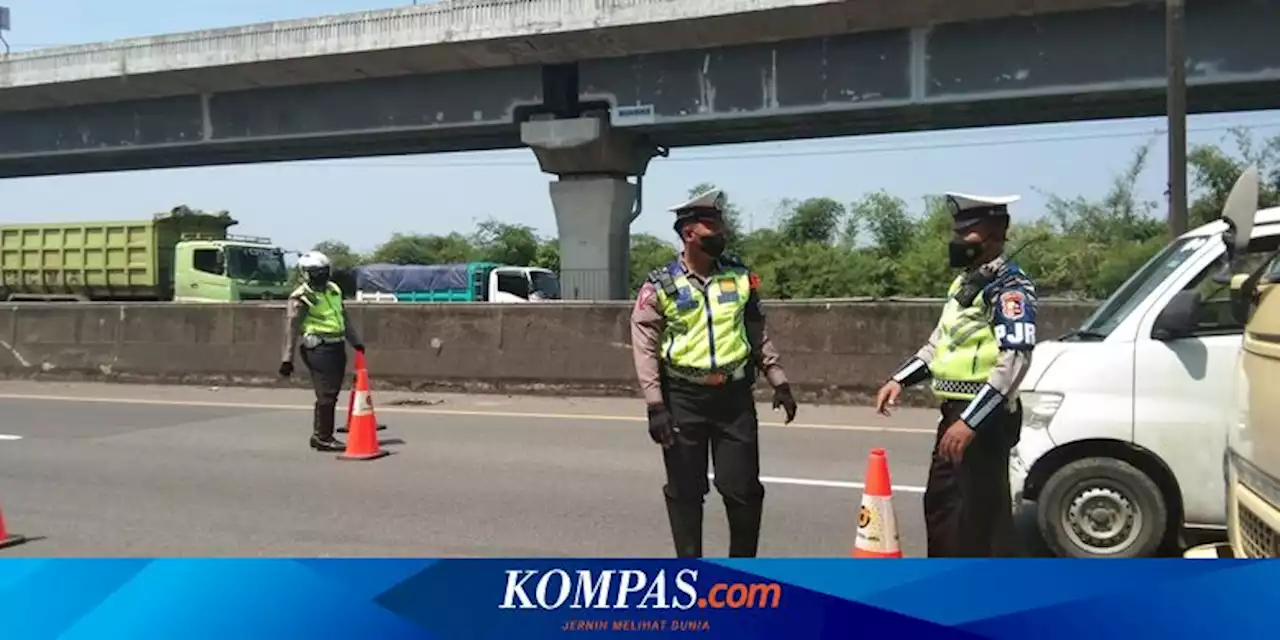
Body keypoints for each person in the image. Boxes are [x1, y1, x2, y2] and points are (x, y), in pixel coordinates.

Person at [630, 188, 799, 558]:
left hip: (734, 400)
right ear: (689, 233)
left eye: (721, 225)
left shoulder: (741, 277)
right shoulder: (660, 285)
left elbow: (756, 330)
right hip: (682, 399)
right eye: (713, 227)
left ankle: (743, 574)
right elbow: (644, 347)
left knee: (742, 489)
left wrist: (778, 379)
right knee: (685, 491)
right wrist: (655, 405)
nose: (721, 232)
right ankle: (691, 573)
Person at [874, 192, 1036, 558]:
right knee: (943, 506)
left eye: (969, 234)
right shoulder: (965, 284)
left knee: (981, 518)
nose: (958, 241)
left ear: (995, 236)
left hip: (983, 418)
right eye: (957, 233)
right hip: (954, 413)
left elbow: (1016, 359)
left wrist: (971, 421)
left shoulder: (1009, 288)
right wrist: (899, 379)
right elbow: (939, 346)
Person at [278, 251, 365, 452]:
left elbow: (344, 317)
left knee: (332, 392)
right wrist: (287, 359)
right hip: (318, 348)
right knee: (326, 393)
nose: (322, 275)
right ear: (306, 273)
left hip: (337, 345)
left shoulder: (333, 289)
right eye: (316, 272)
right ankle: (322, 436)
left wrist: (355, 341)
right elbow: (291, 329)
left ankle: (321, 434)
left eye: (324, 271)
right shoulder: (301, 297)